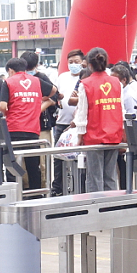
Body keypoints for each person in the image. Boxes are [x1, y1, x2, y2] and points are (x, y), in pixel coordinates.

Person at [67, 47, 124, 193]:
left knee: (94, 177)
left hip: (94, 135)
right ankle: (111, 204)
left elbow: (82, 113)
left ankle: (96, 204)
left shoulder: (86, 84)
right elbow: (121, 109)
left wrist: (80, 136)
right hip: (114, 135)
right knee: (110, 176)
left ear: (89, 64)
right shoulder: (116, 82)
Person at [4, 56, 44, 193]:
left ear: (10, 70)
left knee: (12, 166)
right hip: (32, 130)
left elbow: (3, 105)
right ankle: (36, 196)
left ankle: (14, 195)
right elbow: (53, 91)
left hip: (13, 129)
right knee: (33, 167)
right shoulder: (36, 81)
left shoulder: (8, 82)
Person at [50, 49, 83, 195]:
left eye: (76, 62)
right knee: (58, 157)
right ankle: (58, 188)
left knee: (79, 158)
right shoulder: (62, 77)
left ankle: (78, 188)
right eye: (71, 62)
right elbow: (55, 95)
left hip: (79, 125)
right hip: (62, 123)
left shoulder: (85, 78)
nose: (73, 65)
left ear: (83, 62)